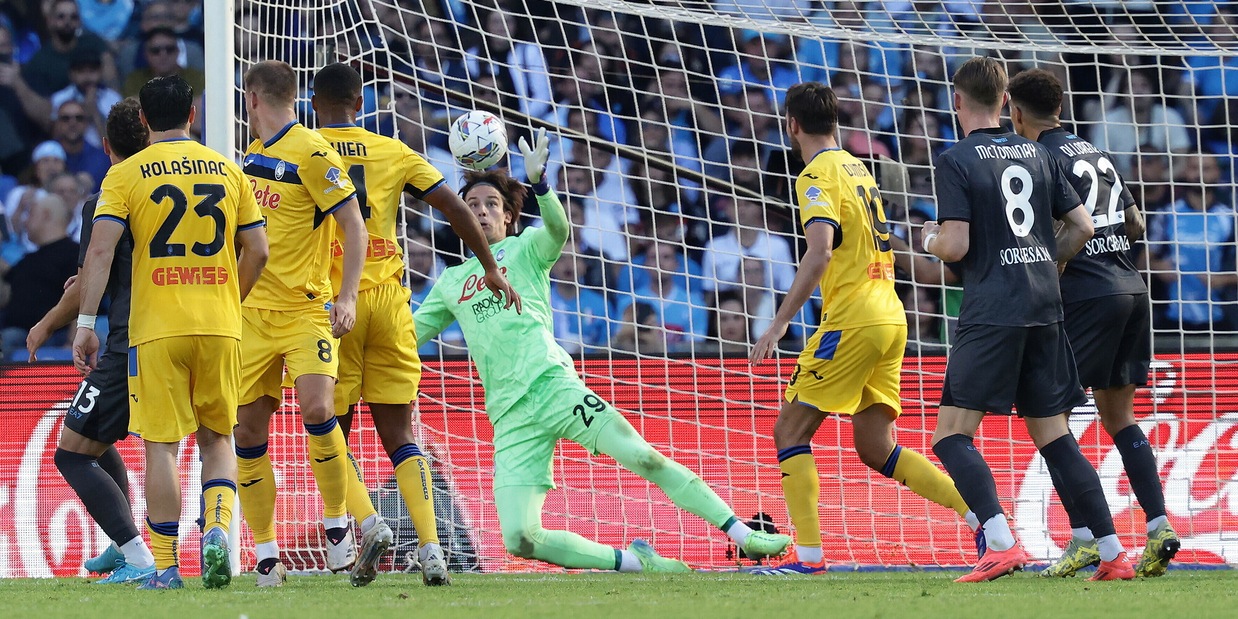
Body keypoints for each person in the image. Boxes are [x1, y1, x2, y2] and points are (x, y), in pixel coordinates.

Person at [413, 129, 791, 573]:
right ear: (458, 219)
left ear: (510, 217)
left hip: (554, 385)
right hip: (509, 414)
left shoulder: (526, 248)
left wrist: (542, 185)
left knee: (643, 455)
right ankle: (639, 564)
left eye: (491, 205)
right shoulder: (450, 283)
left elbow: (558, 228)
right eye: (471, 207)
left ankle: (745, 535)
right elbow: (408, 335)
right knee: (520, 538)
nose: (480, 212)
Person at [746, 82, 979, 576]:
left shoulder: (813, 177)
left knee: (789, 428)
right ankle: (983, 520)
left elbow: (821, 251)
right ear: (836, 122)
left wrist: (778, 323)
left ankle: (808, 559)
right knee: (877, 447)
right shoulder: (858, 168)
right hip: (890, 316)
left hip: (852, 319)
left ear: (792, 125)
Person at [921, 56, 1132, 582]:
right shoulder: (1038, 153)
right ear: (1005, 103)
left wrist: (927, 238)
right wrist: (1044, 258)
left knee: (951, 436)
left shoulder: (956, 160)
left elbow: (956, 244)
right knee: (1055, 436)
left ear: (957, 100)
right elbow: (1082, 224)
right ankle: (1112, 554)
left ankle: (999, 541)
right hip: (1044, 307)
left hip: (993, 310)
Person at [310, 62, 518, 587]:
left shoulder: (300, 150)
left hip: (333, 305)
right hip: (389, 303)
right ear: (361, 104)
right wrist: (490, 267)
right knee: (401, 435)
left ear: (314, 104)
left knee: (332, 429)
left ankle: (353, 531)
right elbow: (453, 206)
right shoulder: (393, 150)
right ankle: (431, 548)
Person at [71, 75, 269, 590]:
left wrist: (86, 324)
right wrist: (230, 299)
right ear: (193, 115)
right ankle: (217, 531)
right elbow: (259, 250)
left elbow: (100, 251)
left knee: (162, 446)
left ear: (143, 121)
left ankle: (164, 568)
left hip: (154, 329)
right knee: (218, 437)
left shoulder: (126, 174)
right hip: (220, 325)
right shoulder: (230, 169)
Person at [1009, 67, 1180, 579]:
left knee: (1049, 414)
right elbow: (1136, 223)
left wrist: (1050, 268)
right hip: (1130, 288)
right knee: (1119, 417)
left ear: (1017, 113)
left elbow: (1064, 229)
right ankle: (1159, 526)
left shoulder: (1038, 157)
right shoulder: (1096, 151)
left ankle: (1086, 538)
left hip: (1085, 296)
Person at [232, 60, 366, 588]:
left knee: (318, 406)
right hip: (251, 315)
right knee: (246, 430)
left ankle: (337, 524)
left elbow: (353, 226)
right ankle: (265, 551)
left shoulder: (313, 152)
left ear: (252, 99)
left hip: (307, 308)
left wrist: (348, 295)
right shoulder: (251, 158)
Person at [26, 98, 154, 584]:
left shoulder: (108, 198)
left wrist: (48, 325)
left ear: (105, 146)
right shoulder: (169, 188)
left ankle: (138, 557)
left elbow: (87, 279)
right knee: (98, 438)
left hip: (128, 340)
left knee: (71, 452)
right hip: (192, 329)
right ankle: (125, 545)